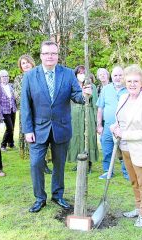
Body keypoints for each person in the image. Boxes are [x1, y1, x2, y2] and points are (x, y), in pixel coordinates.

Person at [21, 40, 92, 213]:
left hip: (61, 127)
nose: (50, 56)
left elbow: (76, 95)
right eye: (46, 53)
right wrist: (27, 130)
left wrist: (84, 95)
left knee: (59, 164)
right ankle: (40, 197)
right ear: (41, 56)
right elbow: (25, 105)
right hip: (38, 129)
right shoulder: (30, 76)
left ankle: (57, 195)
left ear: (57, 55)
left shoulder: (67, 74)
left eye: (53, 53)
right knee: (36, 163)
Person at [110, 64, 142, 227]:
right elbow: (120, 120)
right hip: (125, 148)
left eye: (135, 81)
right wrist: (114, 126)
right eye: (129, 80)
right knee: (134, 182)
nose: (132, 84)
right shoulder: (123, 98)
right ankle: (138, 208)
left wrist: (125, 134)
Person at [14, 54, 52, 174]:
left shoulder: (40, 75)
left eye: (27, 62)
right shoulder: (19, 79)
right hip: (27, 113)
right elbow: (19, 97)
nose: (25, 65)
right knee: (32, 139)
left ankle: (44, 162)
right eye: (23, 63)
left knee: (44, 137)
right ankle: (37, 164)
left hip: (42, 112)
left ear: (32, 63)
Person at [96, 66, 129, 180]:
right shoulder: (106, 89)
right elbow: (100, 108)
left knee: (125, 151)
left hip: (124, 127)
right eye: (115, 75)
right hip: (108, 126)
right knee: (107, 150)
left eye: (120, 75)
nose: (118, 78)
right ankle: (108, 171)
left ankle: (127, 172)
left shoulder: (129, 89)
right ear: (112, 76)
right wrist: (99, 125)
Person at [67, 65, 99, 174]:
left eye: (83, 73)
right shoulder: (73, 86)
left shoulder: (91, 87)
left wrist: (96, 121)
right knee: (76, 137)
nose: (81, 75)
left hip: (88, 113)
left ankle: (89, 163)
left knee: (88, 137)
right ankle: (78, 162)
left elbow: (95, 104)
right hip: (75, 116)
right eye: (79, 73)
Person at [0, 69, 17, 151]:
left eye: (6, 76)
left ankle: (11, 143)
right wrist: (0, 114)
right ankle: (3, 145)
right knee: (10, 128)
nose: (5, 78)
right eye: (3, 76)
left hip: (12, 109)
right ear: (0, 78)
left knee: (13, 126)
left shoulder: (11, 86)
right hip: (4, 111)